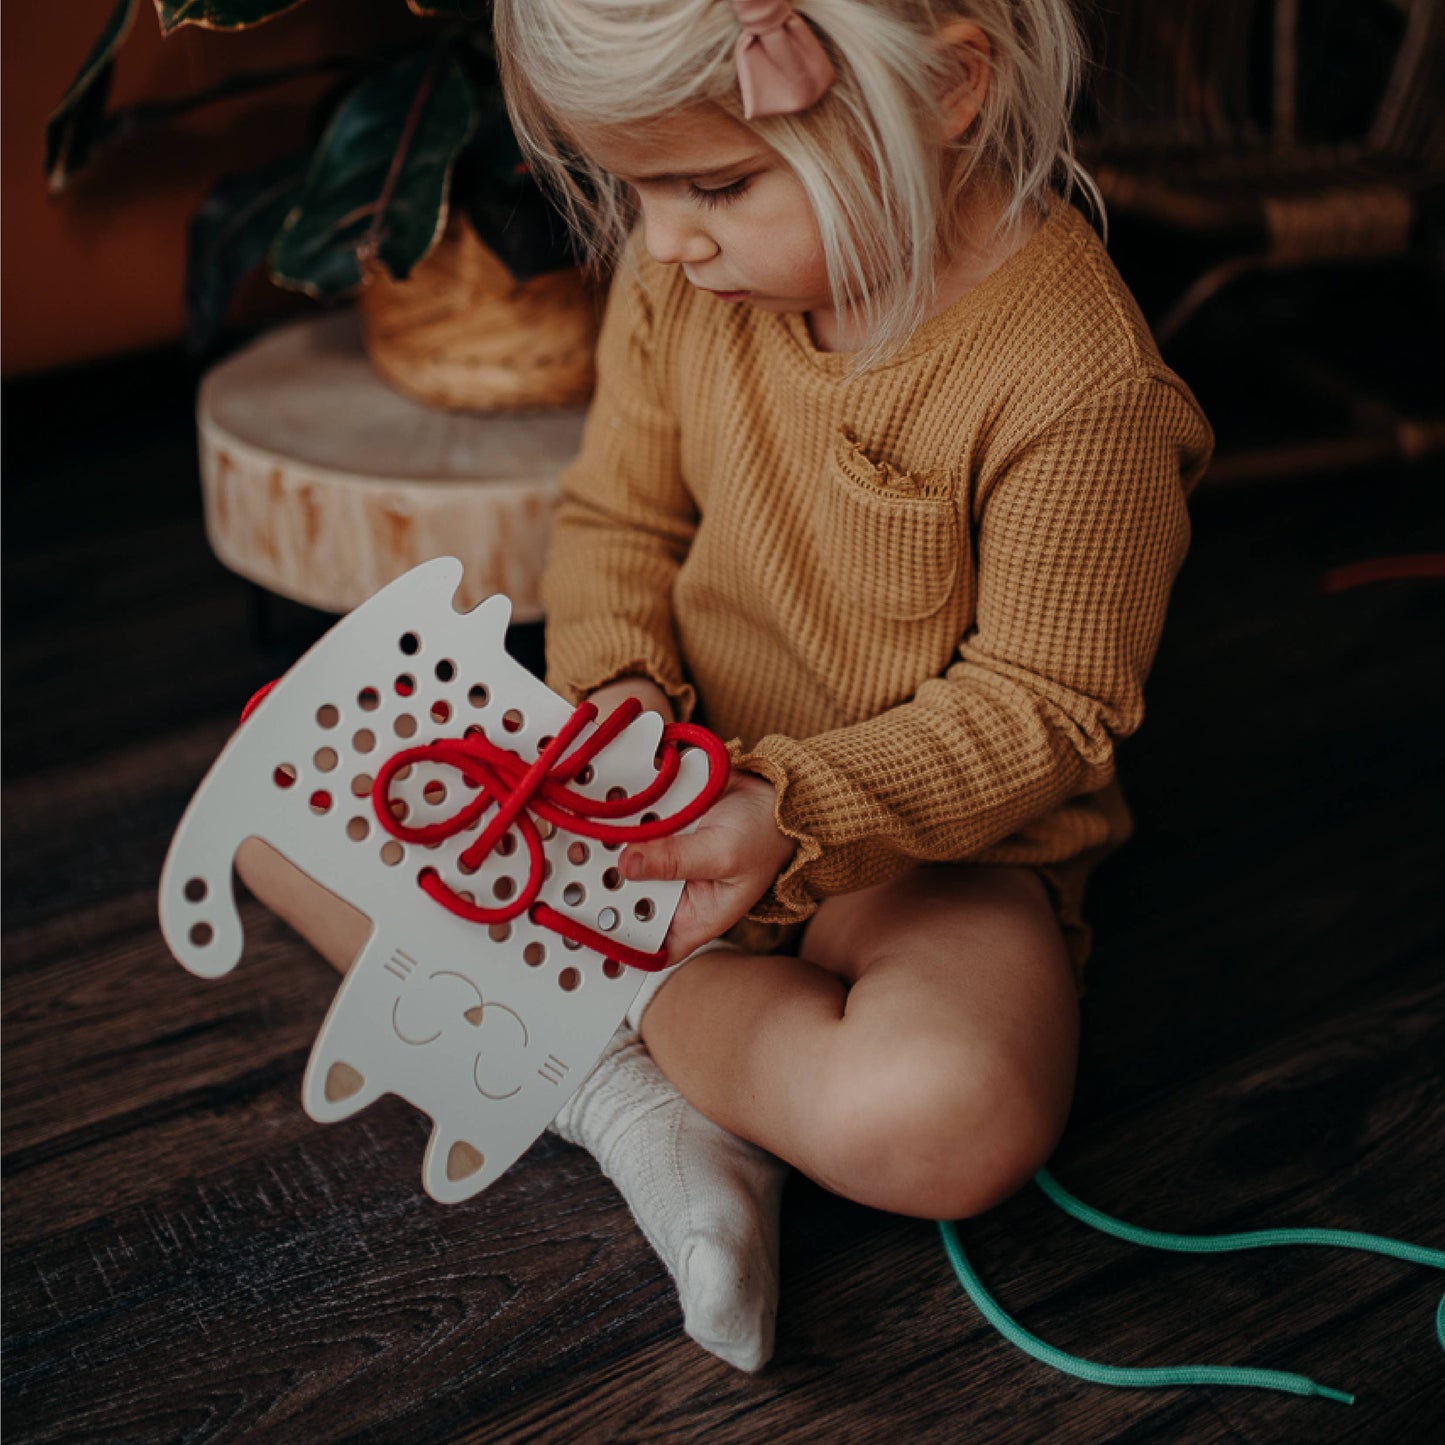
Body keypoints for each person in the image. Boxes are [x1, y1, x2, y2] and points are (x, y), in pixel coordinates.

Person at [238, 0, 1212, 1375]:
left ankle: (585, 1020)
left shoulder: (1074, 382)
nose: (666, 239)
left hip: (920, 861)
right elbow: (619, 526)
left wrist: (789, 809)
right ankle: (635, 1108)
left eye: (716, 185)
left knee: (948, 1109)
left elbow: (1043, 705)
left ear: (943, 89)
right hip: (663, 790)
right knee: (279, 785)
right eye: (633, 188)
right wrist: (620, 700)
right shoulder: (687, 272)